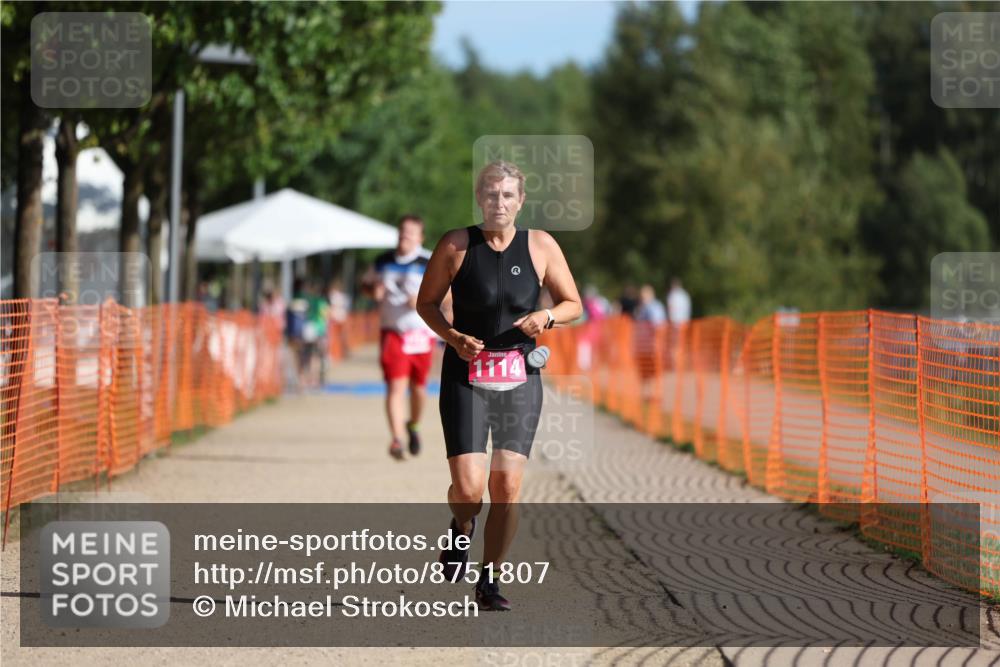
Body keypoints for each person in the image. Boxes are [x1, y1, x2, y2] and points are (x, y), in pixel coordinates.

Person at [416, 160, 582, 611]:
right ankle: (461, 526)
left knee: (506, 486)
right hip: (466, 375)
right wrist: (452, 336)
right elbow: (426, 303)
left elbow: (573, 304)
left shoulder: (541, 245)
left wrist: (546, 317)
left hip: (519, 377)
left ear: (520, 201)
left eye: (508, 195)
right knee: (469, 492)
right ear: (479, 197)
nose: (499, 203)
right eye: (491, 194)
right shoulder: (455, 244)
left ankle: (489, 579)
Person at [361, 215, 436, 460]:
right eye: (402, 232)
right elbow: (365, 284)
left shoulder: (429, 260)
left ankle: (413, 424)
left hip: (422, 333)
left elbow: (448, 294)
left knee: (418, 389)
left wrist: (423, 300)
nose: (405, 236)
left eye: (411, 233)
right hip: (392, 331)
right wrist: (373, 291)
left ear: (420, 237)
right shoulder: (382, 261)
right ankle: (396, 439)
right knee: (395, 386)